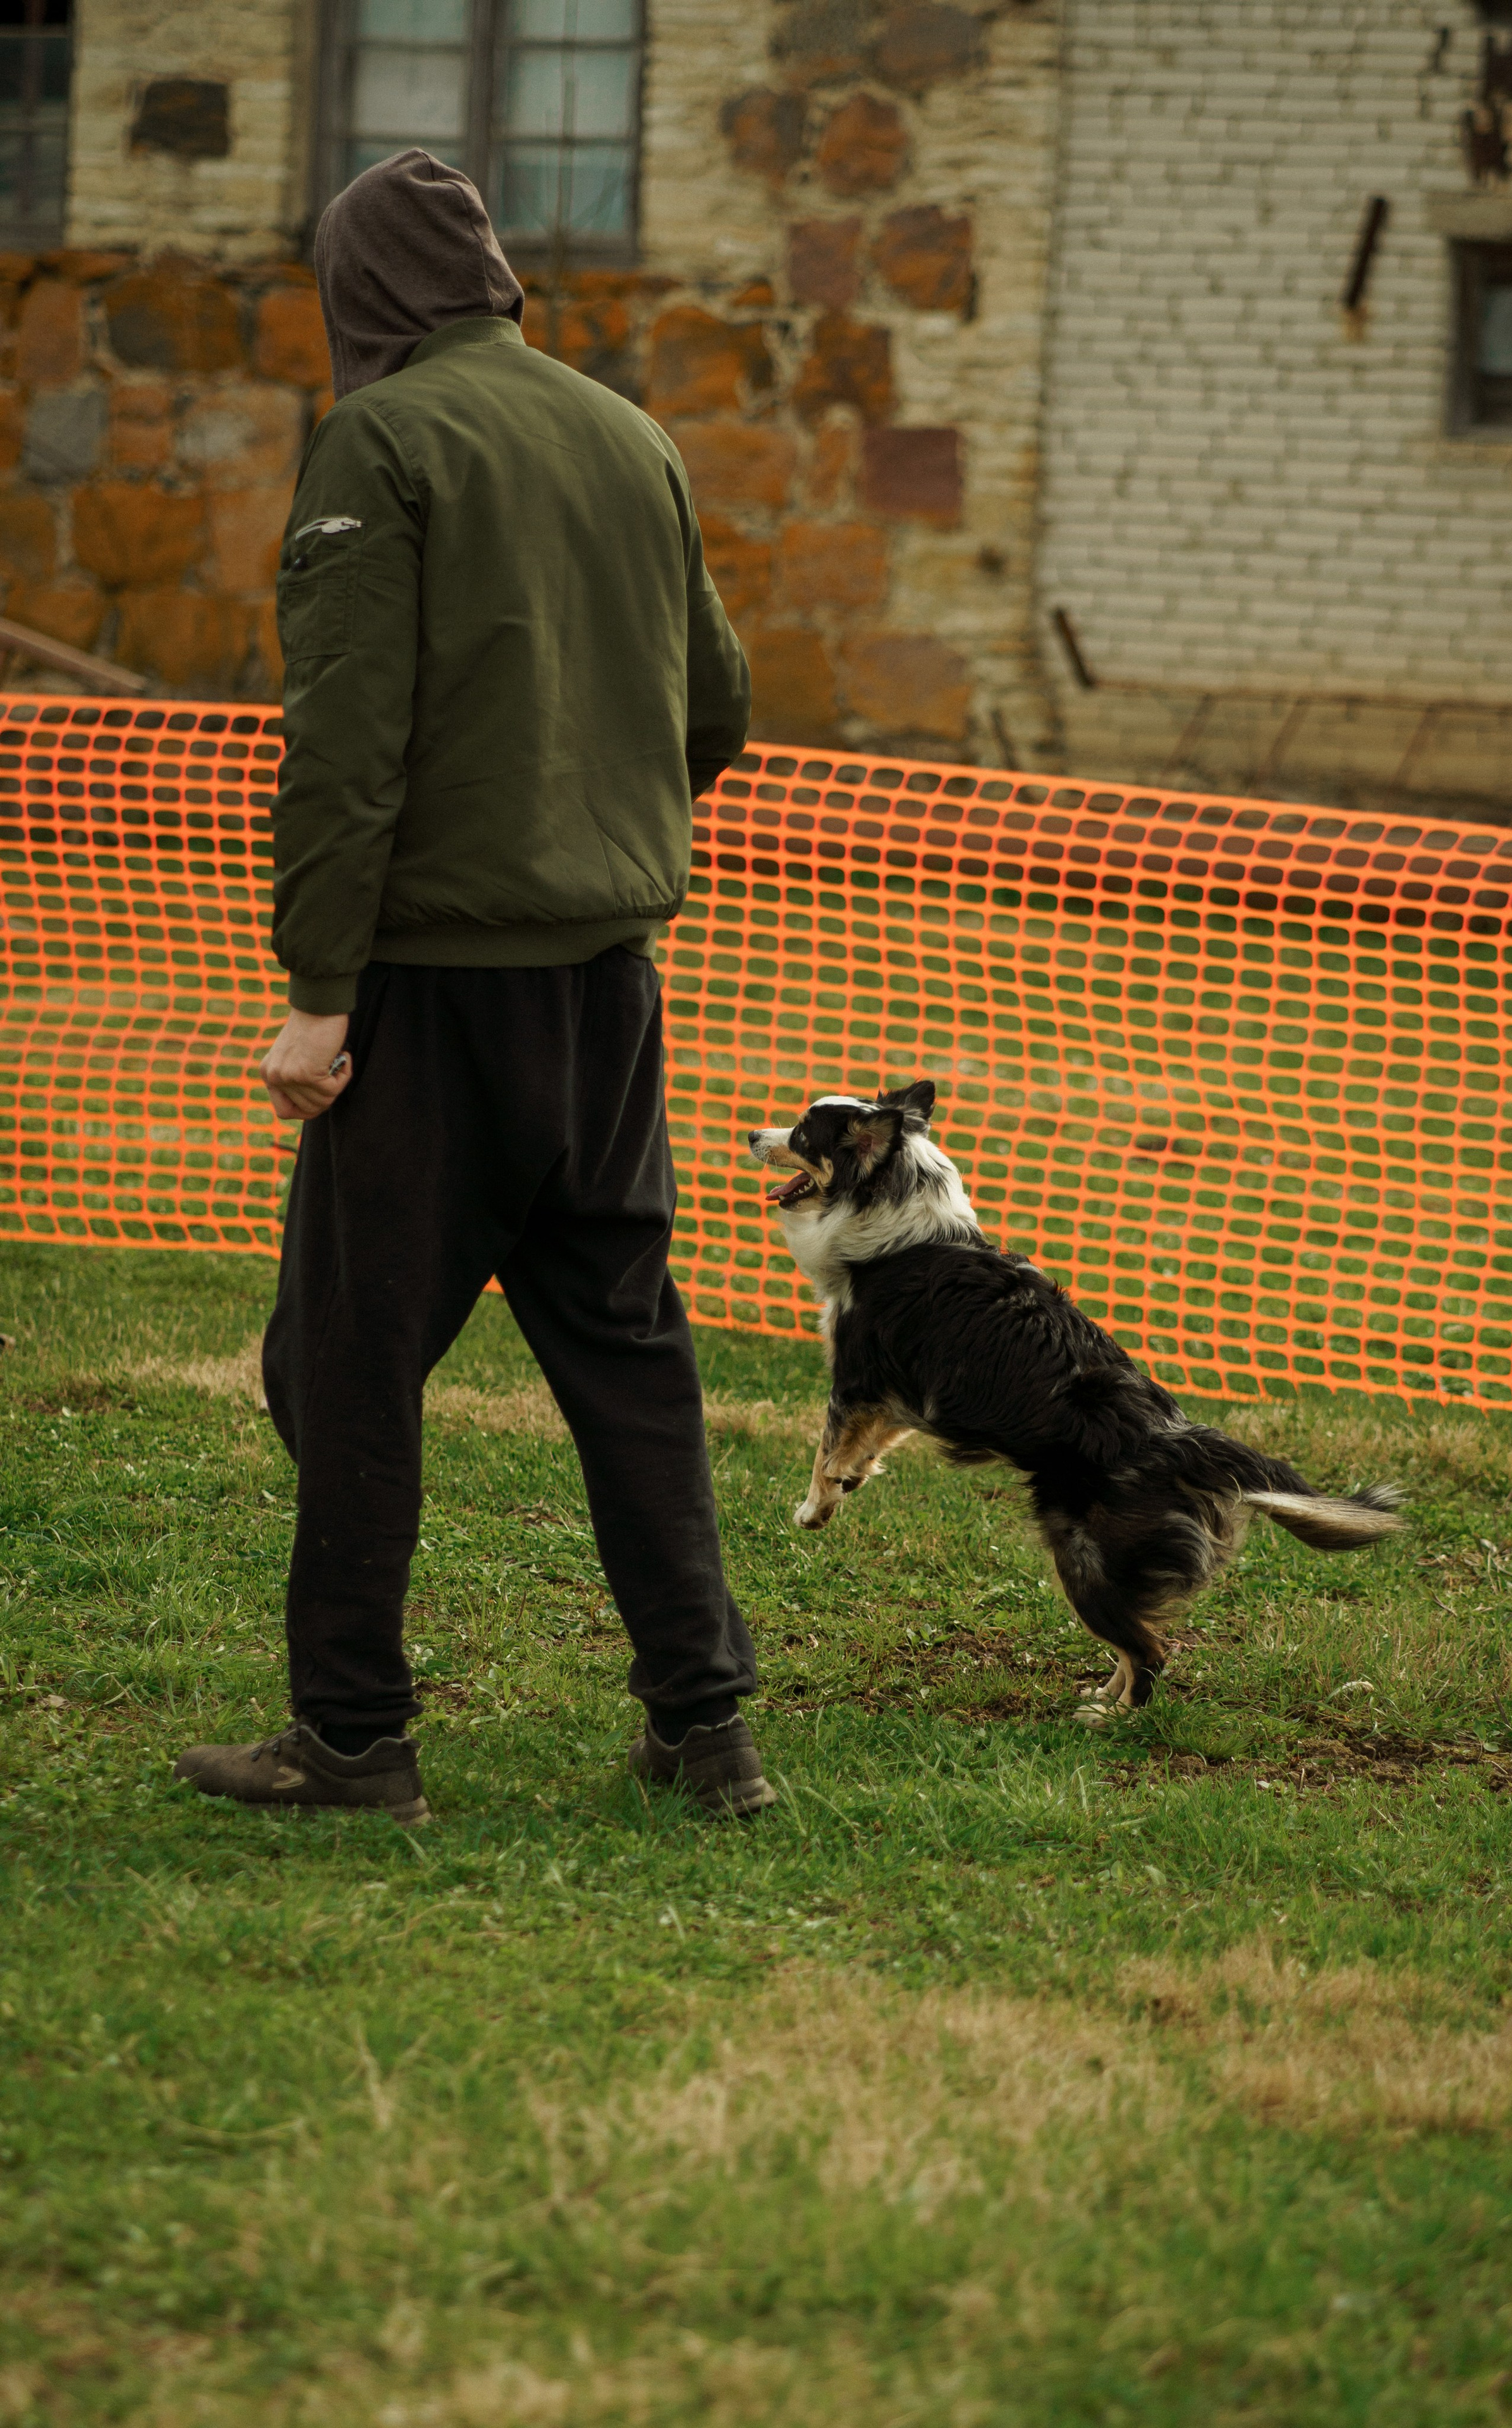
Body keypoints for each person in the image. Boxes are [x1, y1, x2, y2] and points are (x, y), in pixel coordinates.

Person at [173, 150, 772, 1826]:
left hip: (435, 995)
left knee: (342, 1366)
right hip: (611, 992)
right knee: (629, 1353)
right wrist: (588, 819)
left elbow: (344, 750)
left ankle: (355, 1741)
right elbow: (714, 706)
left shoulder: (383, 438)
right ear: (494, 280)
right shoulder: (628, 432)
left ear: (360, 295)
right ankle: (707, 1728)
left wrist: (318, 993)